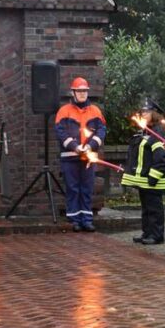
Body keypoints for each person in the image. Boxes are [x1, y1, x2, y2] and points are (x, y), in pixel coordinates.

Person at [54, 77, 107, 232]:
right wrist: (75, 147)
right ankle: (75, 220)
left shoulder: (95, 111)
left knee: (87, 188)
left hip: (88, 158)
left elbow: (102, 130)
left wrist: (91, 146)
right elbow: (60, 132)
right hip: (70, 158)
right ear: (73, 92)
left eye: (84, 91)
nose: (82, 94)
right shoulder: (64, 111)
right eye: (79, 91)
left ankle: (87, 219)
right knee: (73, 188)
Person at [123, 98, 165, 245]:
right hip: (144, 179)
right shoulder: (145, 130)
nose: (143, 114)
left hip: (153, 179)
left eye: (146, 112)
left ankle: (156, 235)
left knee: (154, 209)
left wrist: (153, 177)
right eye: (142, 111)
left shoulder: (159, 131)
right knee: (146, 208)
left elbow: (161, 157)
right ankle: (147, 232)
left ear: (154, 114)